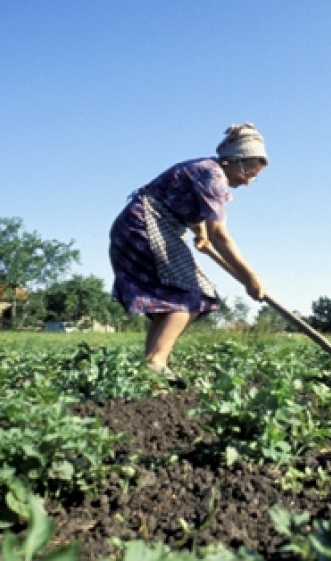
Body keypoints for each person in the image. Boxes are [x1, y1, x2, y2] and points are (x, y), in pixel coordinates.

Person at [109, 123, 268, 385]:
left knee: (172, 304)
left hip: (141, 224)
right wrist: (251, 278)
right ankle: (155, 363)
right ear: (231, 160)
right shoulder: (213, 176)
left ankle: (149, 366)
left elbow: (184, 204)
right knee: (192, 295)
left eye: (254, 176)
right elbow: (220, 235)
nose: (248, 181)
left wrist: (200, 233)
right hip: (145, 226)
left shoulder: (206, 170)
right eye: (247, 171)